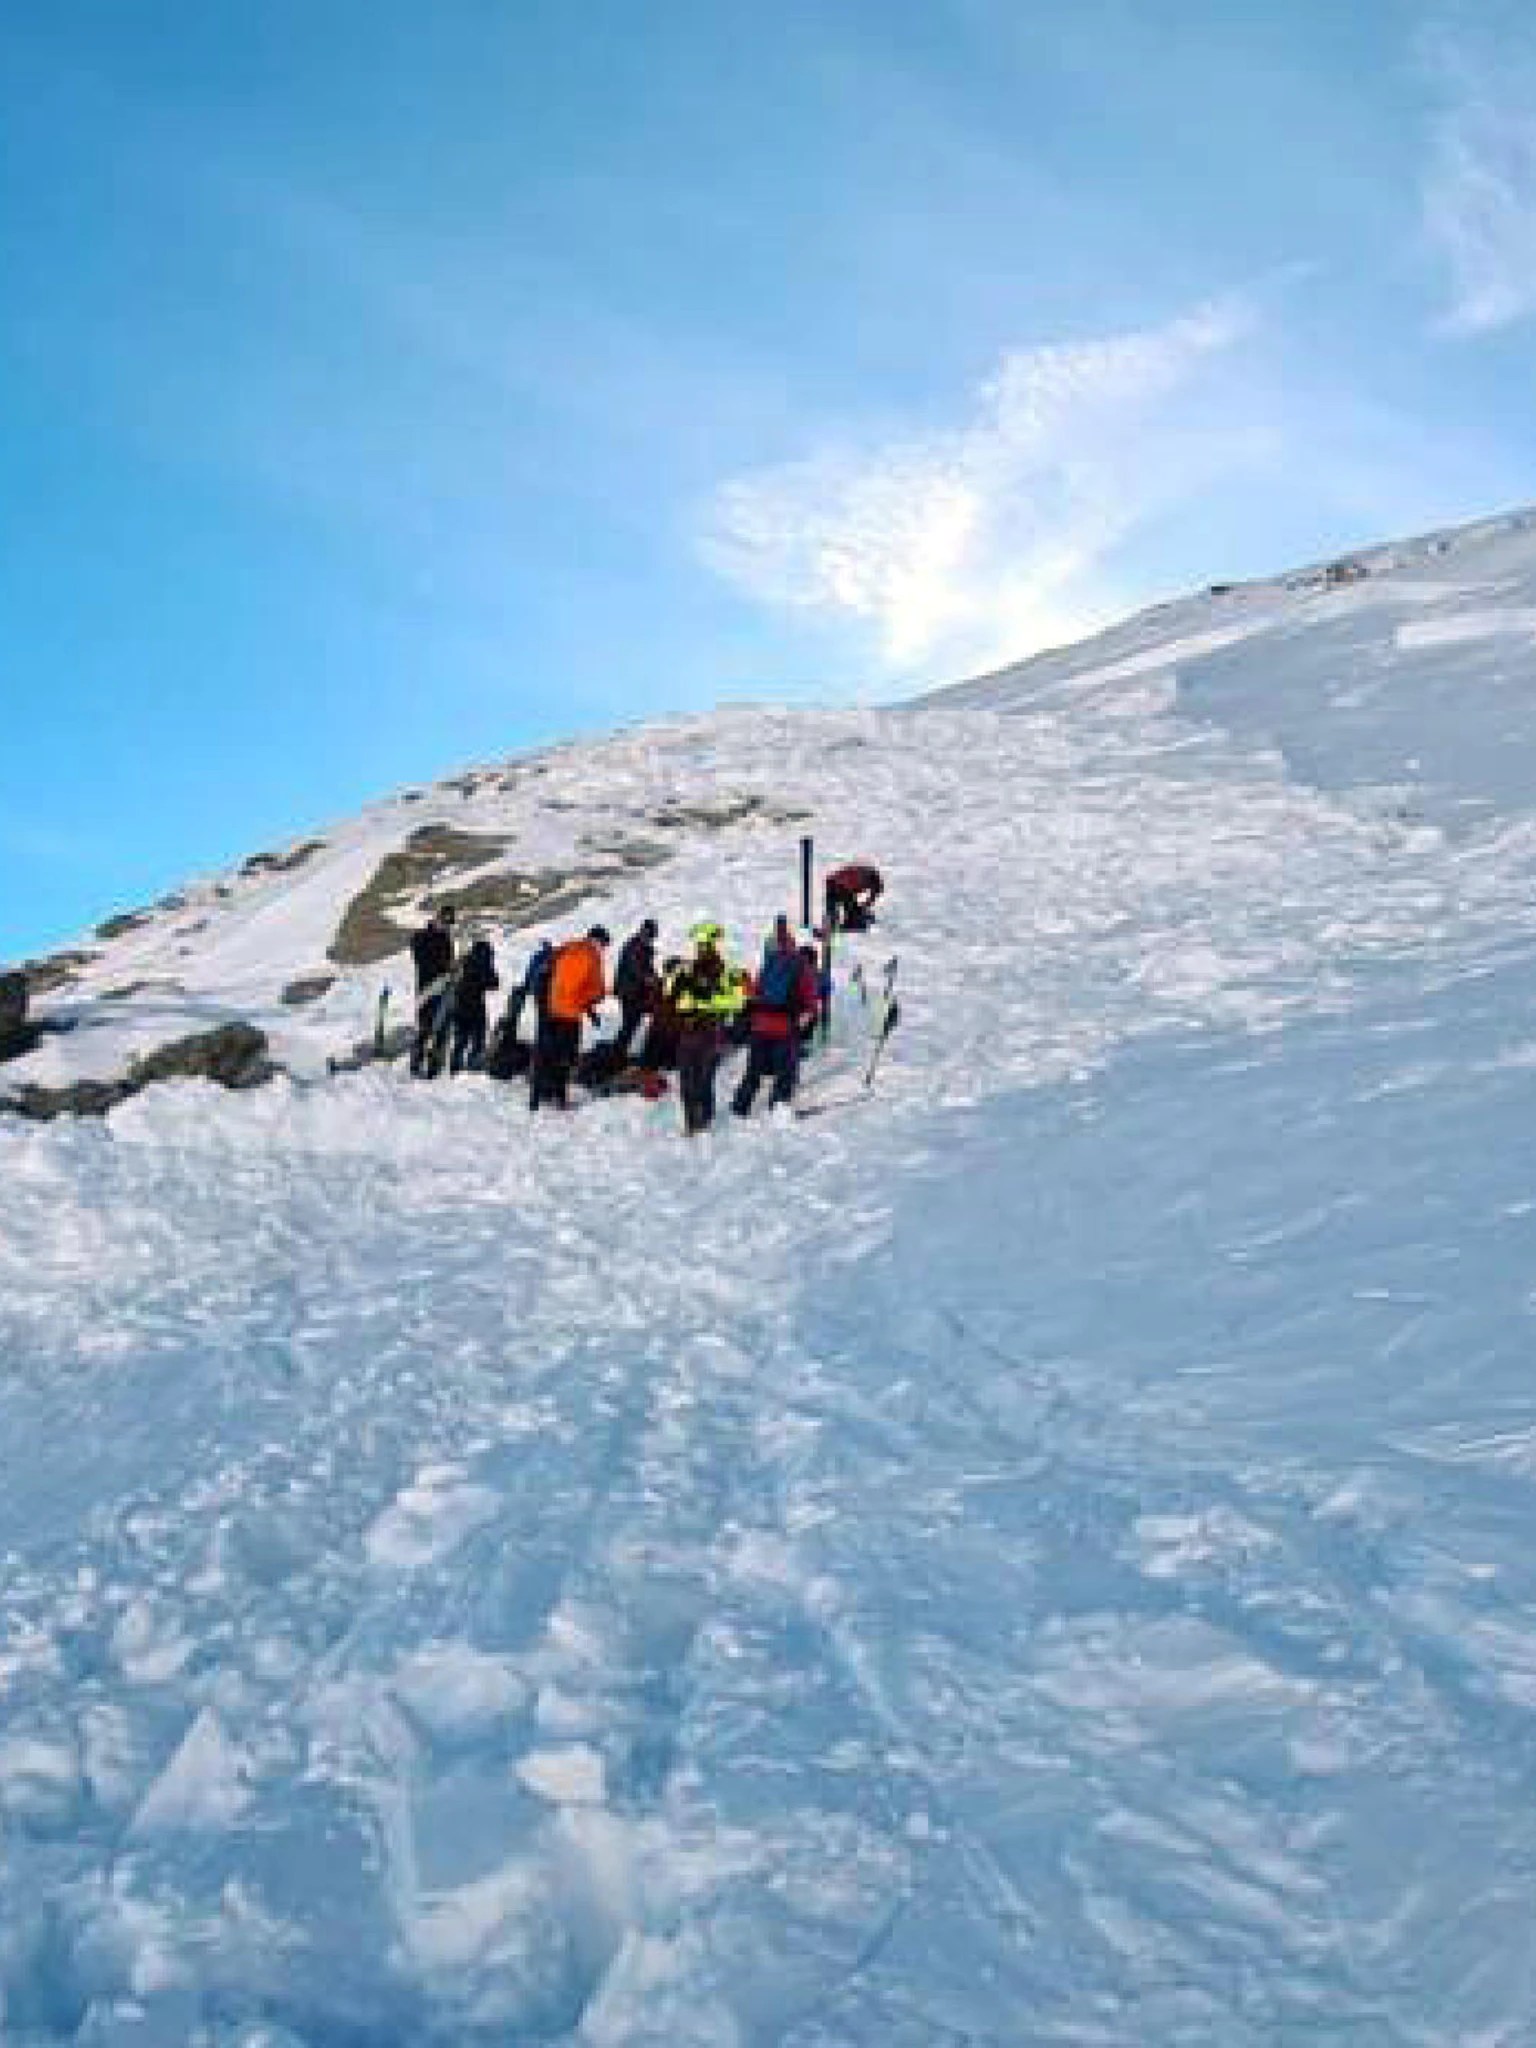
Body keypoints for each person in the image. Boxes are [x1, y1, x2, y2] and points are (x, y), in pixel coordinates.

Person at [732, 917, 820, 1118]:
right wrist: (803, 1022)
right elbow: (811, 1002)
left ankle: (739, 1108)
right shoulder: (800, 966)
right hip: (785, 1029)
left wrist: (746, 985)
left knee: (753, 1073)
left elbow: (756, 993)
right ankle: (777, 1113)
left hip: (760, 1028)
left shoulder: (769, 963)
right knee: (784, 1074)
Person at [669, 920, 745, 1134]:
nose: (700, 950)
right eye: (698, 946)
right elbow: (675, 1000)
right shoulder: (688, 970)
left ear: (713, 946)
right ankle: (692, 1124)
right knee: (686, 1083)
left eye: (704, 946)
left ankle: (704, 1123)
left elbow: (736, 1002)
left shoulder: (727, 972)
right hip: (688, 1033)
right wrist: (676, 987)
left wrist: (704, 1002)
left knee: (702, 1082)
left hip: (711, 1034)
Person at [530, 924, 609, 1111]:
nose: (604, 949)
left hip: (551, 1009)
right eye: (604, 944)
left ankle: (539, 1094)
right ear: (598, 941)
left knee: (547, 1052)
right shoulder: (590, 956)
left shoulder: (569, 947)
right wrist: (592, 999)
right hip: (569, 1014)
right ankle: (559, 1097)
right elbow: (586, 989)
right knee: (565, 1056)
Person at [409, 904, 456, 1077]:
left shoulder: (445, 938)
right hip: (428, 988)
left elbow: (446, 961)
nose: (447, 925)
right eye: (445, 921)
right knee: (425, 1027)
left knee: (441, 1027)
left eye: (450, 923)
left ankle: (433, 1067)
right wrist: (444, 968)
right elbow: (422, 961)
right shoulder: (422, 937)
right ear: (438, 918)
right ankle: (416, 1063)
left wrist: (450, 969)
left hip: (442, 986)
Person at [448, 935, 500, 1074]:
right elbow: (494, 983)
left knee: (461, 1039)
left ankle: (455, 1066)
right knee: (478, 1037)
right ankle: (474, 1065)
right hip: (475, 1006)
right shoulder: (483, 964)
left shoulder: (465, 961)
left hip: (459, 1004)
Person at [612, 918, 660, 1062]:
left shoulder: (640, 946)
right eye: (650, 935)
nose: (651, 939)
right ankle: (617, 1054)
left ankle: (619, 1052)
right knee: (630, 1023)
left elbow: (646, 969)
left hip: (633, 992)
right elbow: (637, 969)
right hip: (630, 992)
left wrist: (655, 978)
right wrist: (650, 979)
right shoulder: (635, 946)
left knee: (632, 1023)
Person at [824, 862, 884, 933]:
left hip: (842, 886)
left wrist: (868, 903)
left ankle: (853, 922)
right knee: (844, 908)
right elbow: (847, 893)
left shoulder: (869, 878)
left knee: (853, 908)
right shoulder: (855, 878)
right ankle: (838, 926)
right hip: (835, 886)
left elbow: (876, 891)